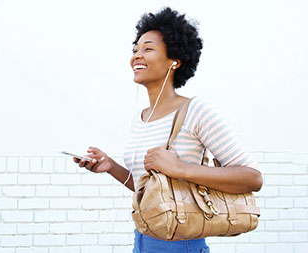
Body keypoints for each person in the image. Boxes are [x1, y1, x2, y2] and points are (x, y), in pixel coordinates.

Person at [73, 7, 263, 253]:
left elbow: (253, 178)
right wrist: (110, 167)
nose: (136, 56)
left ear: (175, 60)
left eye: (148, 49)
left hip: (181, 244)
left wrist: (180, 168)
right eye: (135, 50)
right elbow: (153, 191)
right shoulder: (141, 118)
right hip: (142, 240)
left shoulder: (196, 110)